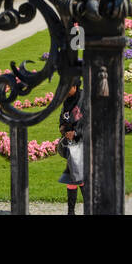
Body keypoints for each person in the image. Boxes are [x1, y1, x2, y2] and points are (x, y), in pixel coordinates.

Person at [57, 76, 85, 214]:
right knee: (74, 177)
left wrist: (76, 133)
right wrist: (64, 129)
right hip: (73, 146)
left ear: (75, 86)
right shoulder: (67, 101)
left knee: (77, 177)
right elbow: (62, 119)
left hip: (86, 143)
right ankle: (71, 211)